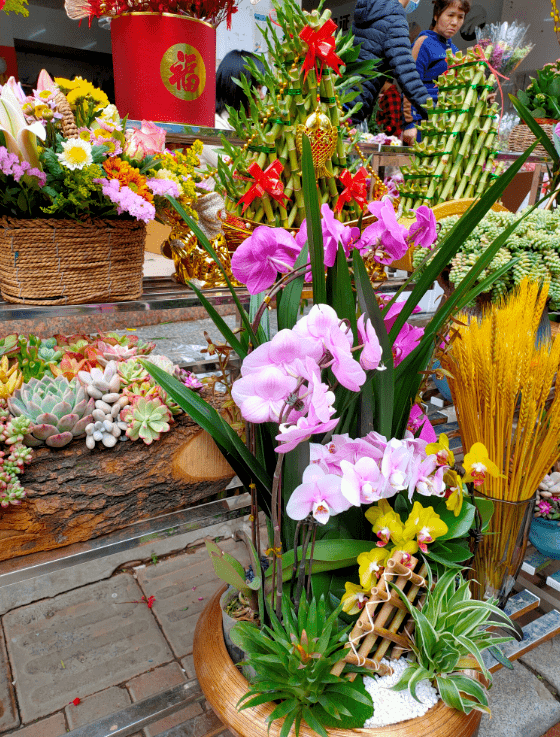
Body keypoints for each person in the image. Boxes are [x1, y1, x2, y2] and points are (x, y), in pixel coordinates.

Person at [351, 0, 429, 125]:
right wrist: (433, 111)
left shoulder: (370, 10)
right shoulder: (394, 19)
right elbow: (407, 74)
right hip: (355, 104)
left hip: (344, 96)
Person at [402, 0, 470, 144]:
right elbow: (409, 83)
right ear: (436, 15)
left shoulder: (455, 51)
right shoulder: (424, 43)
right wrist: (410, 123)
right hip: (423, 124)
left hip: (446, 125)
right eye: (450, 15)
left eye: (460, 17)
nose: (454, 22)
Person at [199, 50, 265, 168]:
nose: (262, 97)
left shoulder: (249, 125)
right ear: (239, 90)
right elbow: (238, 172)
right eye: (258, 89)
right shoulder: (212, 127)